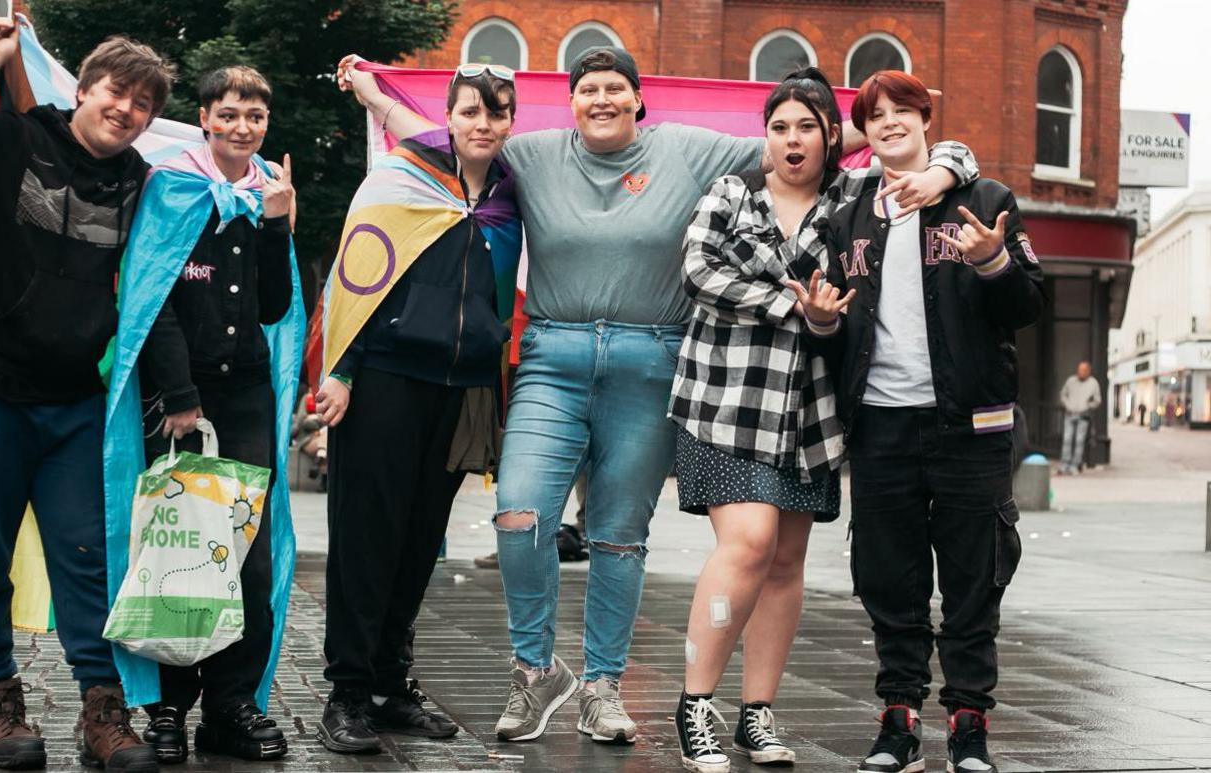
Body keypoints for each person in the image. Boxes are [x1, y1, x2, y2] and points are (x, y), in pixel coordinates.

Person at [340, 45, 854, 745]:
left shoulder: (690, 151)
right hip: (554, 355)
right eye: (589, 90)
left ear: (639, 100)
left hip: (649, 362)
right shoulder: (535, 155)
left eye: (616, 88)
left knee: (617, 535)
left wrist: (913, 145)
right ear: (572, 102)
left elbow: (805, 140)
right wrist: (373, 94)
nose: (603, 99)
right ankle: (536, 672)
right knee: (519, 514)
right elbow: (448, 132)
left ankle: (604, 685)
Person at [669, 68, 978, 773]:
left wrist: (945, 171)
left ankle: (759, 714)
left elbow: (953, 155)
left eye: (807, 125)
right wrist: (796, 309)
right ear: (767, 136)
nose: (792, 137)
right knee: (747, 542)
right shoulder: (732, 192)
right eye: (780, 126)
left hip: (811, 413)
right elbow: (697, 273)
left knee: (784, 563)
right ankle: (695, 705)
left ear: (834, 136)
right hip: (724, 402)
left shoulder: (857, 195)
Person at [0, 17, 173, 772]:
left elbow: (159, 286)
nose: (127, 110)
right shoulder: (8, 141)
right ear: (83, 87)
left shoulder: (140, 181)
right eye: (118, 91)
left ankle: (102, 711)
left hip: (76, 400)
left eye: (144, 103)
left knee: (88, 559)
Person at [805, 71, 1044, 773]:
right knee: (890, 581)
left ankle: (969, 726)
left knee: (975, 577)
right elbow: (834, 327)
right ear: (865, 133)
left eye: (900, 110)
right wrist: (820, 322)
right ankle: (898, 721)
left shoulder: (984, 199)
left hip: (971, 426)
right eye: (873, 116)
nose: (888, 123)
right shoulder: (847, 214)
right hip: (880, 426)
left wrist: (993, 260)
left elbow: (1027, 304)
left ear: (923, 115)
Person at [317, 62, 522, 754]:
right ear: (450, 117)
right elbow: (357, 273)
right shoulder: (404, 180)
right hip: (384, 379)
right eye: (470, 112)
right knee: (364, 539)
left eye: (496, 114)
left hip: (462, 388)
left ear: (510, 122)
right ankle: (346, 692)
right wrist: (339, 370)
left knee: (419, 541)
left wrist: (378, 99)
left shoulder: (509, 194)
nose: (482, 125)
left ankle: (388, 683)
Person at [103, 65, 296, 764]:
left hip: (247, 396)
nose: (243, 126)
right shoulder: (173, 187)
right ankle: (167, 707)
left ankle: (231, 704)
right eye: (230, 113)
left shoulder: (267, 194)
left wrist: (276, 227)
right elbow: (153, 302)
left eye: (255, 115)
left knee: (245, 557)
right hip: (179, 400)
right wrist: (179, 397)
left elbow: (275, 307)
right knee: (177, 551)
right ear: (206, 118)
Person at [1058, 361, 1100, 474]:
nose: (1080, 372)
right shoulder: (1071, 381)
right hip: (1070, 414)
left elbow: (1097, 400)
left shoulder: (1093, 383)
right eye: (1079, 369)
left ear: (1088, 371)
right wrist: (1067, 405)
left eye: (1083, 370)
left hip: (1083, 415)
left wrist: (1087, 406)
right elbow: (1063, 394)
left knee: (1079, 441)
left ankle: (1075, 465)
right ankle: (1064, 464)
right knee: (1067, 439)